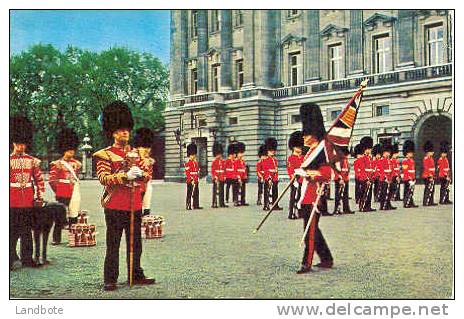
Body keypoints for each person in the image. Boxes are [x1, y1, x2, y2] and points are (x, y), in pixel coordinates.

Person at [93, 101, 156, 291]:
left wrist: (140, 174)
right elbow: (104, 178)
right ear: (112, 132)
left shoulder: (137, 153)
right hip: (115, 205)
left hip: (134, 204)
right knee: (113, 244)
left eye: (126, 130)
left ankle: (135, 274)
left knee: (135, 243)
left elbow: (148, 175)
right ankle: (110, 278)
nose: (125, 133)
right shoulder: (105, 155)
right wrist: (124, 176)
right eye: (120, 130)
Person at [296, 103, 333, 274]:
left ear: (314, 134)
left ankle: (307, 262)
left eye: (306, 134)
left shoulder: (321, 152)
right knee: (313, 229)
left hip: (314, 197)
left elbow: (326, 174)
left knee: (310, 231)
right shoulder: (310, 152)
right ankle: (326, 258)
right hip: (305, 195)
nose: (304, 137)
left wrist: (310, 174)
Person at [10, 116, 45, 269]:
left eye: (23, 144)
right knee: (11, 232)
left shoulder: (32, 161)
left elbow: (39, 179)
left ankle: (27, 258)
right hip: (11, 201)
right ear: (13, 143)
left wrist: (39, 196)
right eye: (18, 143)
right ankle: (10, 258)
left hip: (28, 201)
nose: (21, 147)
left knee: (26, 232)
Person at [49, 128, 81, 245]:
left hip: (74, 192)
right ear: (64, 151)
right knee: (59, 216)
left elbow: (75, 178)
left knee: (74, 215)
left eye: (73, 151)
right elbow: (52, 180)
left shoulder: (76, 164)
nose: (71, 153)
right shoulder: (57, 164)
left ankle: (73, 238)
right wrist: (58, 190)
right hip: (62, 192)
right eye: (69, 151)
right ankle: (56, 238)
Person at [133, 128, 155, 216]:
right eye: (144, 147)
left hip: (145, 196)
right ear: (137, 147)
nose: (147, 150)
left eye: (148, 147)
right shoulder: (131, 159)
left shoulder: (148, 162)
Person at [287, 131, 304, 219]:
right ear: (293, 147)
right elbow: (290, 170)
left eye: (301, 146)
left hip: (303, 180)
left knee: (301, 197)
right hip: (295, 180)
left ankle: (300, 212)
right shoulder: (291, 158)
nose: (300, 148)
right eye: (298, 146)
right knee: (293, 197)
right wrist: (293, 180)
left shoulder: (303, 157)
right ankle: (292, 213)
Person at [262, 138, 282, 211]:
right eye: (271, 151)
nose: (273, 152)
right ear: (267, 151)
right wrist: (269, 178)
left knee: (275, 192)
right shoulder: (265, 160)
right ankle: (266, 205)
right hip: (269, 178)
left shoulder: (275, 160)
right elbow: (266, 170)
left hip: (275, 178)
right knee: (267, 192)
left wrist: (276, 177)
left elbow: (275, 170)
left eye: (273, 150)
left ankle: (275, 204)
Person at [333, 148, 354, 214]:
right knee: (338, 195)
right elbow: (337, 170)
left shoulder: (345, 159)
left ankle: (346, 208)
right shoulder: (338, 159)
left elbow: (347, 169)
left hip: (345, 179)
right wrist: (340, 178)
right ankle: (337, 209)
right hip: (340, 179)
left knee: (345, 195)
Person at [358, 137, 376, 212]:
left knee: (369, 194)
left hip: (369, 178)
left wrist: (372, 177)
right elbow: (362, 170)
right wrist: (366, 179)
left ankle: (368, 206)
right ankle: (362, 206)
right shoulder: (362, 158)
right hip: (364, 179)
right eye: (368, 149)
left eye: (370, 149)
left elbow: (370, 168)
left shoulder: (369, 158)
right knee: (364, 193)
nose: (369, 150)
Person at [378, 142, 396, 211]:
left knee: (390, 191)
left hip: (389, 178)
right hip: (384, 179)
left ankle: (388, 203)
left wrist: (391, 178)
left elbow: (391, 169)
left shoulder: (389, 161)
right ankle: (382, 205)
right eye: (386, 152)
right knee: (384, 192)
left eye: (389, 152)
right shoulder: (381, 160)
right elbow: (381, 170)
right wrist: (385, 178)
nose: (388, 154)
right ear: (383, 153)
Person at [185, 143, 202, 210]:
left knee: (196, 193)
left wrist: (197, 178)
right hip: (190, 181)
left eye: (194, 155)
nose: (194, 156)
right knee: (189, 193)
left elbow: (197, 171)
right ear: (189, 155)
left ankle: (196, 205)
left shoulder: (195, 163)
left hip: (196, 180)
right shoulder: (187, 163)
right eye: (192, 155)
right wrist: (191, 180)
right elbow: (188, 173)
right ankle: (188, 205)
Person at [402, 140, 418, 208]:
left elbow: (412, 170)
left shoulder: (412, 161)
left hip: (412, 178)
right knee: (407, 191)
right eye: (410, 153)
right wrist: (410, 179)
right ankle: (406, 203)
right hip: (407, 179)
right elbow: (405, 171)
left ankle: (410, 202)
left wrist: (414, 178)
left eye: (411, 152)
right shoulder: (404, 161)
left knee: (411, 191)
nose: (411, 154)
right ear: (406, 153)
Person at [211, 142, 226, 208]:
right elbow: (213, 170)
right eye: (218, 154)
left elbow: (224, 169)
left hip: (222, 177)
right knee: (215, 191)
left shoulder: (223, 162)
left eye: (220, 154)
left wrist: (225, 176)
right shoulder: (214, 162)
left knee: (222, 190)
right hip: (216, 178)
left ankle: (222, 203)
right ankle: (214, 202)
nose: (219, 156)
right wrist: (215, 177)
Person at [422, 141, 437, 206]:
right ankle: (426, 202)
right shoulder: (426, 159)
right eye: (431, 151)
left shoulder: (431, 158)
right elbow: (426, 168)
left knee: (432, 189)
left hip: (431, 175)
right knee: (428, 189)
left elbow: (432, 168)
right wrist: (430, 176)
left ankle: (431, 201)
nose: (433, 153)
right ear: (428, 152)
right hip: (427, 176)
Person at [236, 142, 249, 206]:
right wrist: (238, 177)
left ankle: (242, 201)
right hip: (238, 177)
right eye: (240, 153)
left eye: (242, 153)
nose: (241, 155)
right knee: (237, 190)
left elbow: (244, 169)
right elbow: (235, 170)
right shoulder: (236, 161)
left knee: (243, 190)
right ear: (237, 154)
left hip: (243, 177)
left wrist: (245, 175)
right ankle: (236, 201)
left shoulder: (243, 161)